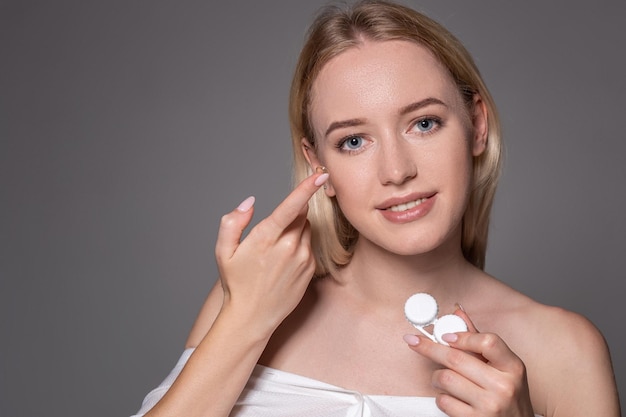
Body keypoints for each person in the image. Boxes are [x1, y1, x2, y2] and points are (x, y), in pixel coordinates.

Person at [131, 1, 620, 416]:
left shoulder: (565, 352)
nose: (396, 170)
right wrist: (245, 320)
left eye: (424, 123)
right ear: (317, 161)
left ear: (476, 126)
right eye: (354, 141)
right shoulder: (248, 301)